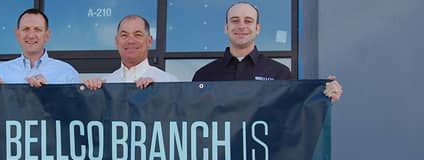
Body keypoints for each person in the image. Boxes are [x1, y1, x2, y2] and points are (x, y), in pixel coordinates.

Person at [192, 1, 343, 101]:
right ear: (226, 28)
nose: (241, 26)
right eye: (235, 20)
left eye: (248, 21)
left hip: (265, 150)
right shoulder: (204, 75)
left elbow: (296, 111)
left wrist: (323, 95)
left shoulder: (279, 73)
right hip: (219, 150)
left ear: (257, 29)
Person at [0, 8, 79, 88]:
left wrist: (49, 91)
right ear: (18, 34)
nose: (31, 35)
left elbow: (77, 109)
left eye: (37, 29)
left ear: (47, 35)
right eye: (26, 29)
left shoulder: (67, 73)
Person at [83, 15, 178, 90]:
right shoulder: (105, 85)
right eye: (124, 35)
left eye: (138, 35)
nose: (130, 41)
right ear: (116, 42)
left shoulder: (168, 83)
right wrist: (90, 93)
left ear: (149, 41)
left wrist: (157, 92)